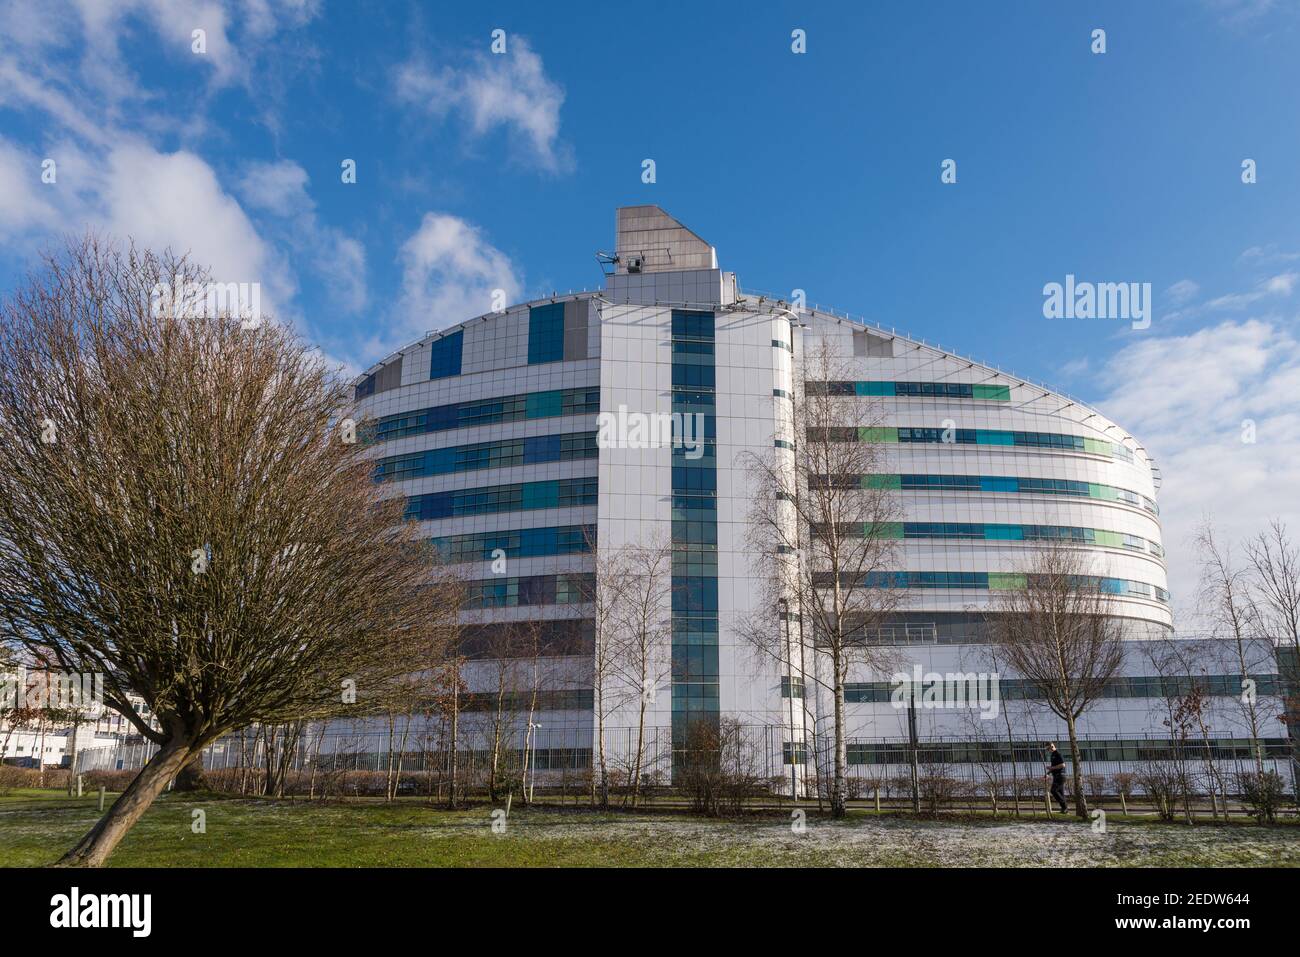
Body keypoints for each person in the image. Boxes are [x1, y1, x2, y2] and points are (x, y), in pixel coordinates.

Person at [1045, 743, 1068, 813]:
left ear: (1052, 746)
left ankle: (1064, 805)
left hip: (1060, 776)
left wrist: (1051, 767)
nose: (1048, 750)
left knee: (1053, 790)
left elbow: (1063, 765)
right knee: (1061, 793)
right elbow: (1053, 767)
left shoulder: (1058, 754)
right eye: (1047, 749)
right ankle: (1064, 809)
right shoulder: (1052, 755)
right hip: (1056, 776)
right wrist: (1047, 774)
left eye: (1049, 748)